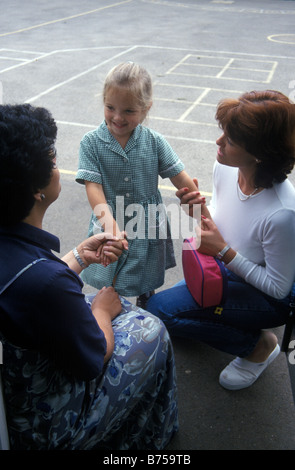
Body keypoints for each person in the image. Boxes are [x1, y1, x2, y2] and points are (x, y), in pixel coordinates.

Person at [0, 103, 178, 450]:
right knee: (152, 329)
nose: (57, 168)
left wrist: (79, 257)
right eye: (52, 161)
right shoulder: (48, 283)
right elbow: (93, 359)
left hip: (16, 378)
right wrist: (101, 310)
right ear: (37, 190)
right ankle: (151, 437)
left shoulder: (25, 263)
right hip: (47, 423)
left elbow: (27, 284)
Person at [148, 90, 295, 391]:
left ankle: (259, 347)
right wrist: (200, 212)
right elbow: (225, 223)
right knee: (164, 309)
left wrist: (224, 252)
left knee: (160, 312)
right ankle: (234, 325)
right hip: (231, 268)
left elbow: (280, 290)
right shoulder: (227, 168)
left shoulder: (283, 212)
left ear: (259, 155)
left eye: (229, 140)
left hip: (269, 296)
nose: (218, 143)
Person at [76, 62, 204, 308]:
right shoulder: (91, 143)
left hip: (147, 222)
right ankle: (108, 308)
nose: (117, 117)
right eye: (110, 107)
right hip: (111, 218)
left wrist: (200, 211)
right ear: (103, 101)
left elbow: (180, 177)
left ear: (146, 109)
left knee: (144, 269)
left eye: (129, 111)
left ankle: (146, 299)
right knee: (111, 268)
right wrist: (109, 225)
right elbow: (94, 188)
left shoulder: (154, 142)